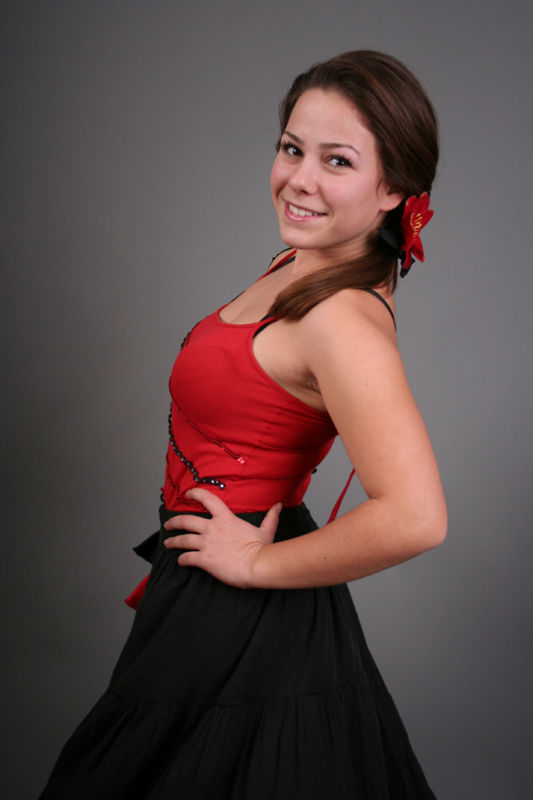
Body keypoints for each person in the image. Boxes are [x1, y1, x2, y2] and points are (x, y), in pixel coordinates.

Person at [40, 50, 446, 799]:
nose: (300, 179)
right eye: (292, 148)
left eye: (337, 160)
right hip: (204, 592)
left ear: (393, 190)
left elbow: (416, 517)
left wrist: (256, 565)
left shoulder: (340, 319)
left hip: (246, 605)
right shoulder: (300, 264)